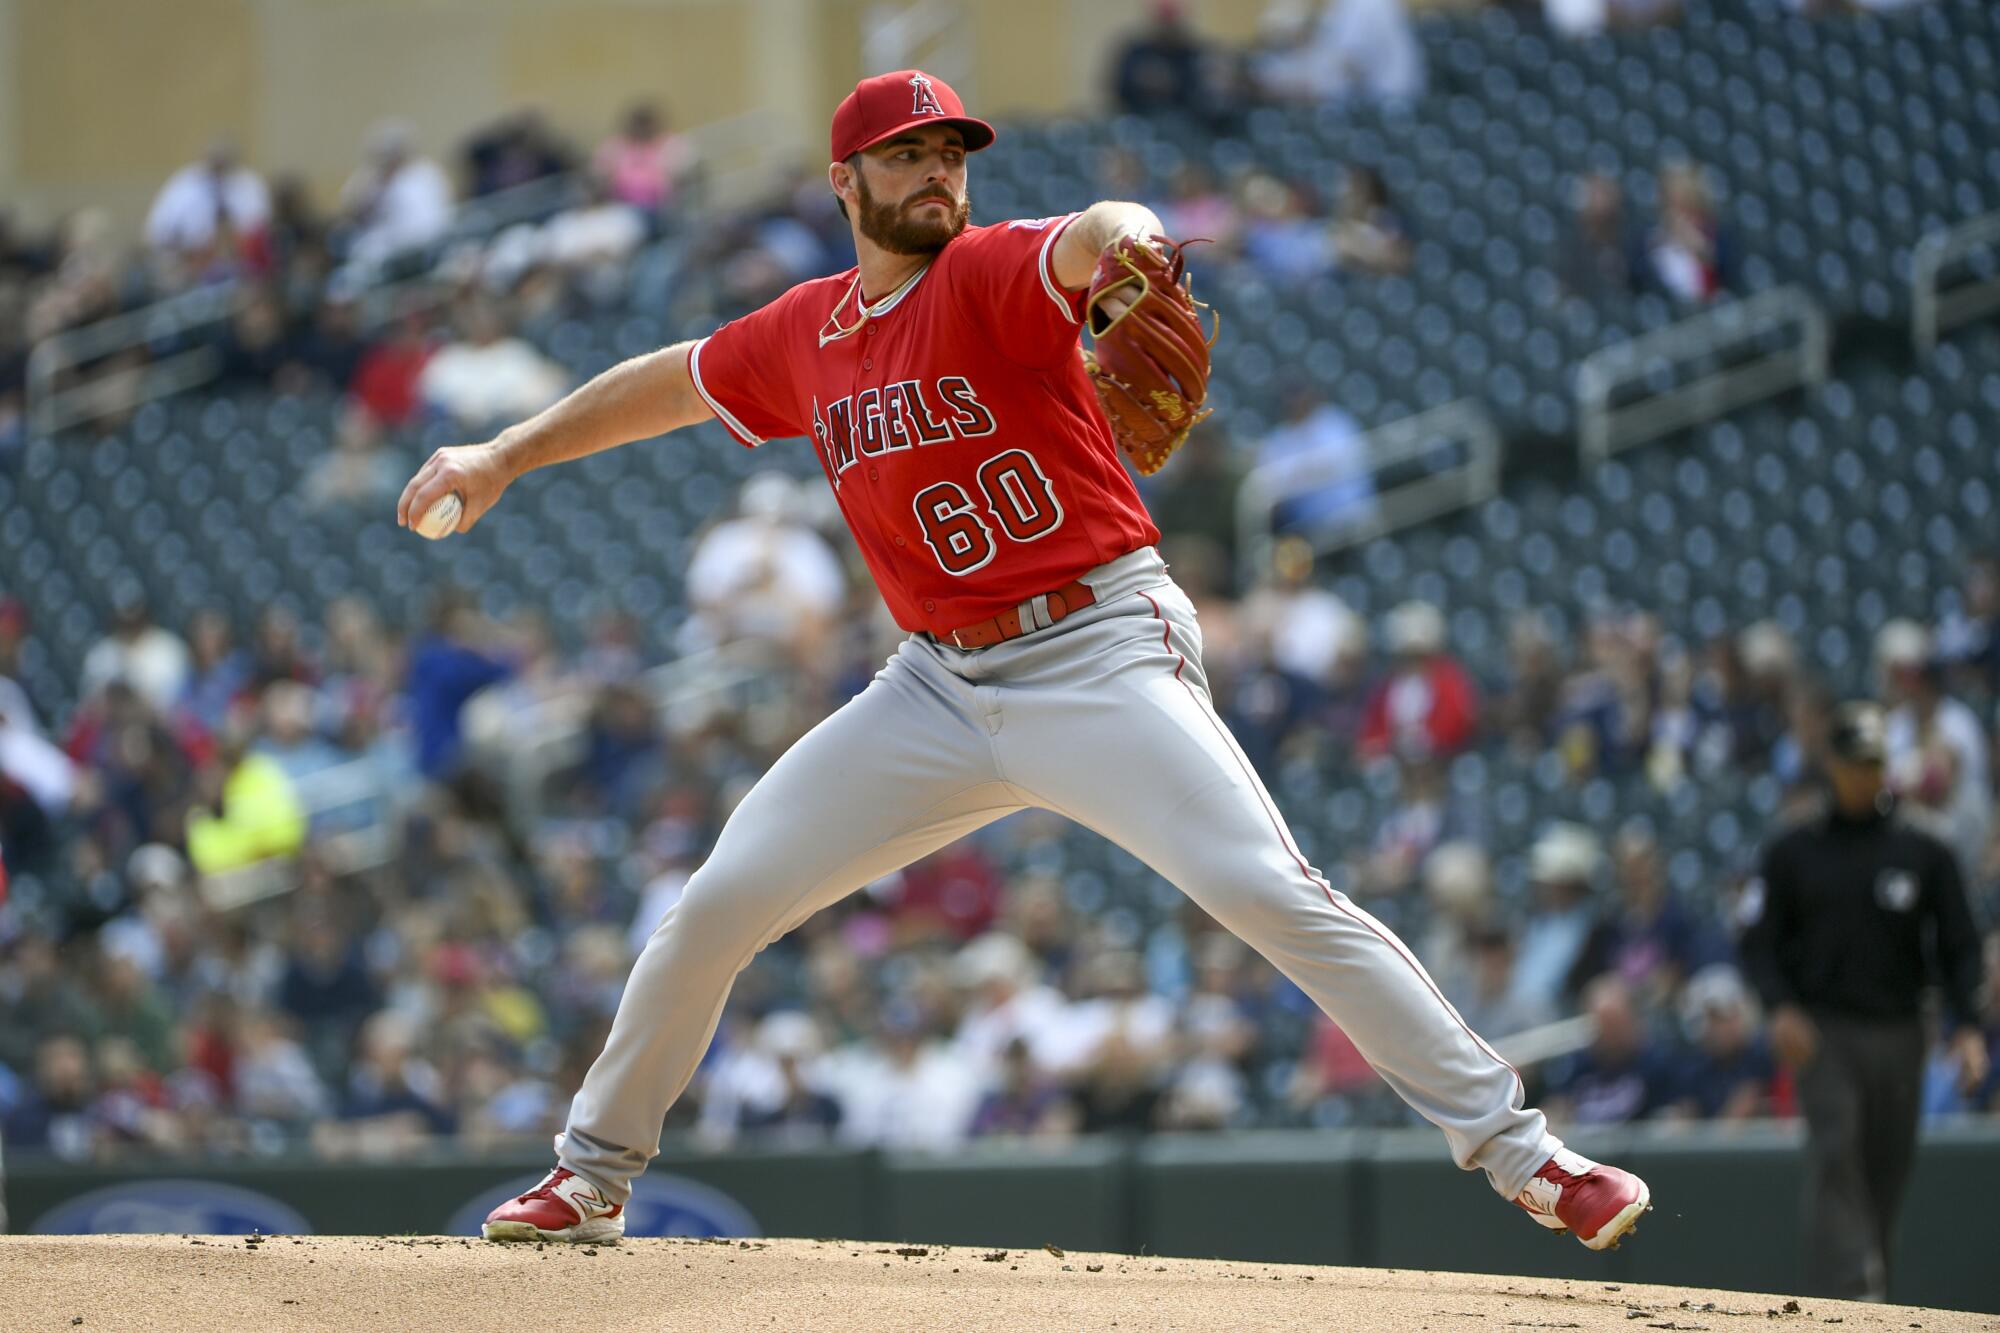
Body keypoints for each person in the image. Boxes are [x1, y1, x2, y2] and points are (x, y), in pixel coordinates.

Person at [399, 68, 1650, 1250]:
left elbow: (1091, 229)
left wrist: (1134, 246)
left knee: (1268, 890)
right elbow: (668, 383)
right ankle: (595, 1173)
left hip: (1097, 649)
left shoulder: (988, 272)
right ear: (846, 183)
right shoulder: (806, 331)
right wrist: (503, 453)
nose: (938, 172)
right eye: (907, 155)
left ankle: (1524, 1154)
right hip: (934, 684)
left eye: (951, 151)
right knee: (717, 904)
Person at [1738, 701, 1987, 1301]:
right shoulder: (1794, 850)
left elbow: (1959, 944)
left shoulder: (1924, 847)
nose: (1863, 776)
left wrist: (1969, 1025)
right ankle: (1848, 1303)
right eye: (1853, 764)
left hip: (1904, 1031)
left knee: (1886, 1171)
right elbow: (1758, 942)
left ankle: (1871, 1305)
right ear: (1831, 766)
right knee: (1836, 1152)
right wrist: (1780, 1007)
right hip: (1825, 1032)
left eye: (1873, 764)